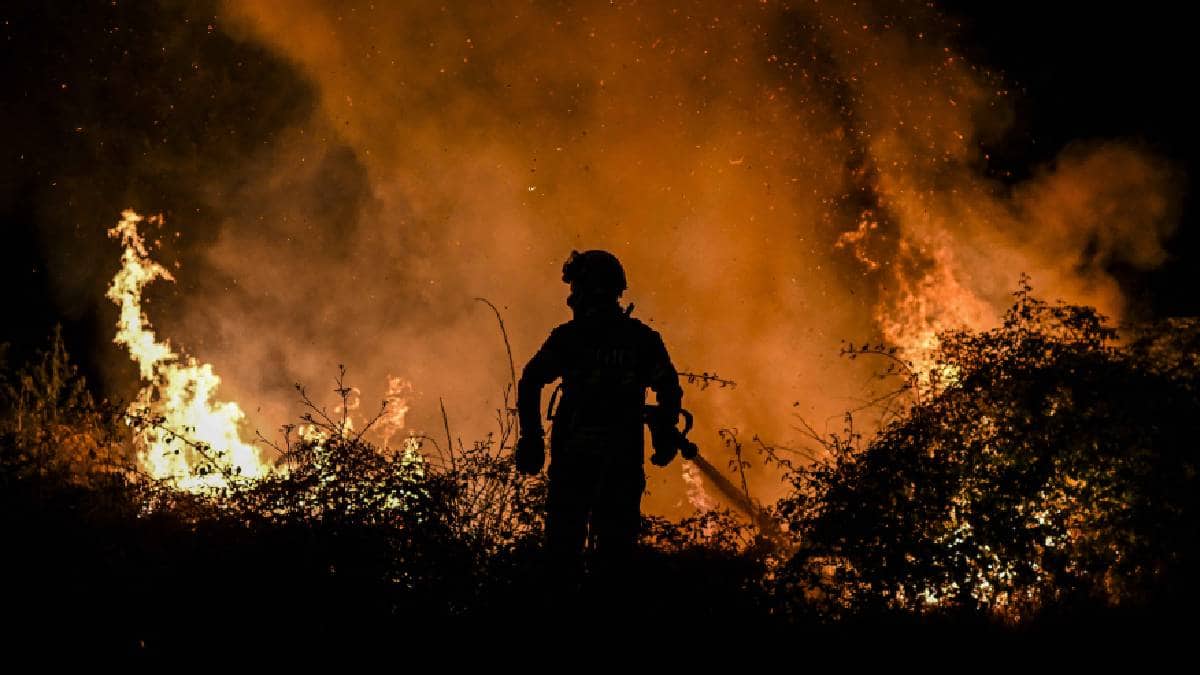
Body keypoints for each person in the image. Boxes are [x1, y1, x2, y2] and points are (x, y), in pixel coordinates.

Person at [515, 250, 684, 599]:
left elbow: (531, 380)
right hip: (620, 467)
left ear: (588, 290)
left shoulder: (570, 338)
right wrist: (664, 432)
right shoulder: (641, 340)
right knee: (615, 562)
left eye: (575, 288)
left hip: (575, 466)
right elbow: (668, 386)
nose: (571, 298)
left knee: (561, 559)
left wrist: (532, 438)